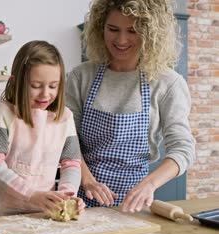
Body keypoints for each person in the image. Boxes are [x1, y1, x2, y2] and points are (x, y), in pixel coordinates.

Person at [66, 0, 195, 212]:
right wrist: (87, 180)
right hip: (78, 197)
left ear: (151, 32)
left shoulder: (167, 83)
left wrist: (149, 184)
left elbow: (183, 149)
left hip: (132, 203)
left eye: (133, 31)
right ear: (100, 27)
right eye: (113, 29)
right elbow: (66, 137)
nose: (121, 40)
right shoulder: (81, 76)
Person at [0, 40, 85, 217]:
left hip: (42, 212)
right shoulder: (6, 113)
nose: (46, 94)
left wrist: (67, 194)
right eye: (36, 86)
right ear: (16, 83)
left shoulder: (65, 118)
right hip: (2, 213)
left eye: (53, 86)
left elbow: (72, 163)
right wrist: (32, 195)